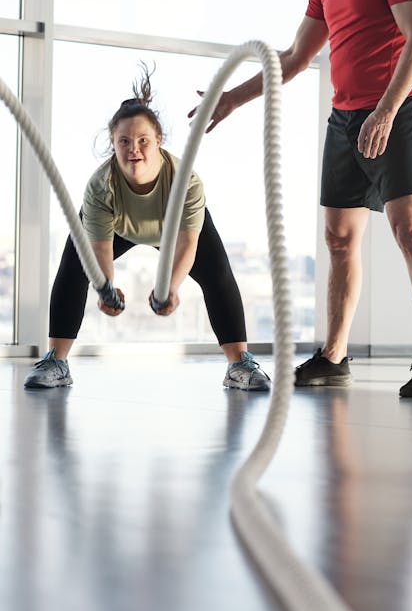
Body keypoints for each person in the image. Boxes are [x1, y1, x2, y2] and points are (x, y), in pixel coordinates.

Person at [188, 0, 412, 398]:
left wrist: (385, 111)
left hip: (397, 111)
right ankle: (334, 356)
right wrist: (231, 99)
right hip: (344, 119)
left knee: (409, 230)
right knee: (338, 238)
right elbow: (292, 59)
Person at [24, 71, 270, 392]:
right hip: (119, 225)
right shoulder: (101, 186)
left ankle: (239, 364)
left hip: (174, 230)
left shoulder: (185, 181)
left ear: (158, 141)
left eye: (143, 141)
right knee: (74, 265)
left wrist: (168, 290)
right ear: (113, 144)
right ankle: (56, 361)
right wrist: (105, 289)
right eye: (123, 141)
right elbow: (100, 249)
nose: (133, 149)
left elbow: (186, 243)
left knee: (218, 273)